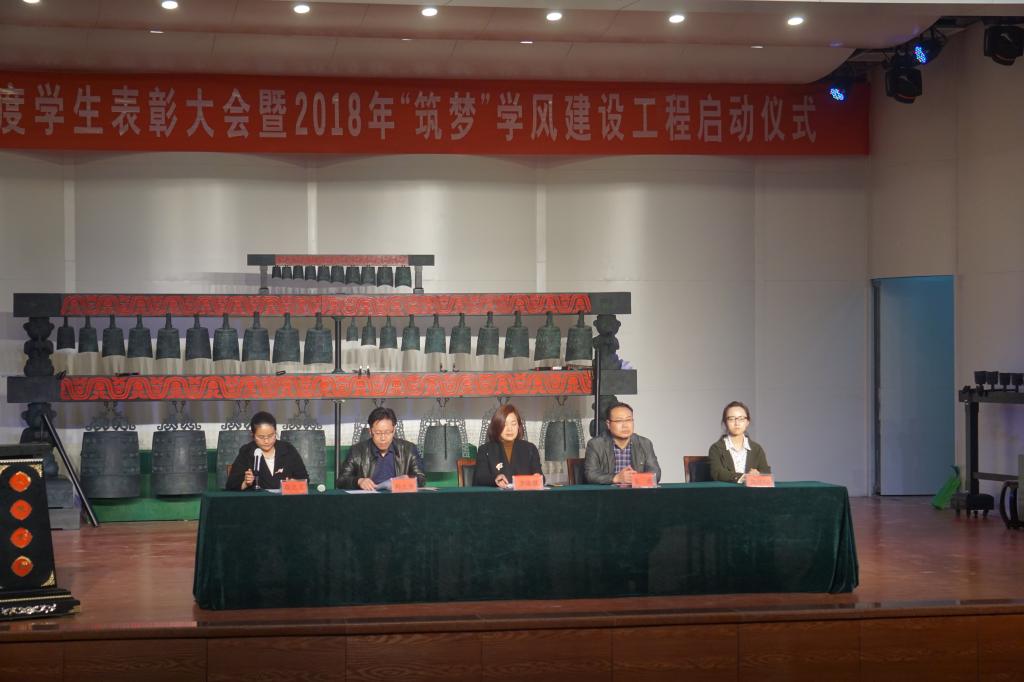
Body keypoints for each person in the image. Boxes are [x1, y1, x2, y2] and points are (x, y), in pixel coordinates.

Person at [337, 406, 426, 490]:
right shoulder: (357, 451)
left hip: (399, 497)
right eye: (378, 433)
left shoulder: (408, 450)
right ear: (370, 431)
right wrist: (359, 481)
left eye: (387, 432)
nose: (383, 438)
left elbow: (421, 479)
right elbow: (341, 480)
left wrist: (408, 479)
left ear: (393, 431)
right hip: (368, 497)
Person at [225, 411, 308, 491]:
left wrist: (294, 483)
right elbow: (231, 484)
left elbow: (304, 479)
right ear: (252, 435)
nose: (266, 441)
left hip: (285, 499)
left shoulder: (288, 449)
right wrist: (246, 483)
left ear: (275, 432)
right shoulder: (247, 451)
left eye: (271, 435)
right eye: (261, 437)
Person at [584, 401, 661, 485]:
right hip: (608, 492)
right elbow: (590, 474)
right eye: (619, 421)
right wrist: (616, 478)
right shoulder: (595, 444)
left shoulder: (644, 443)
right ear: (608, 424)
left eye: (628, 420)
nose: (625, 426)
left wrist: (634, 479)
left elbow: (655, 473)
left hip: (636, 492)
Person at [473, 403, 543, 488]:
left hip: (524, 495)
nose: (510, 429)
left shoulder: (530, 449)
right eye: (505, 424)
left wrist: (537, 477)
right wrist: (495, 479)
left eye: (513, 424)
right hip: (497, 495)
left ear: (518, 426)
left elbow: (540, 476)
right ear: (497, 426)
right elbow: (480, 478)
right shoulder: (485, 450)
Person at [708, 400, 770, 483]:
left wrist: (758, 475)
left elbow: (766, 474)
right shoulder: (716, 448)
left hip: (752, 491)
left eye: (741, 419)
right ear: (725, 422)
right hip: (726, 491)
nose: (737, 423)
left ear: (747, 422)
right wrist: (744, 477)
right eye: (731, 419)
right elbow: (717, 473)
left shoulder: (757, 449)